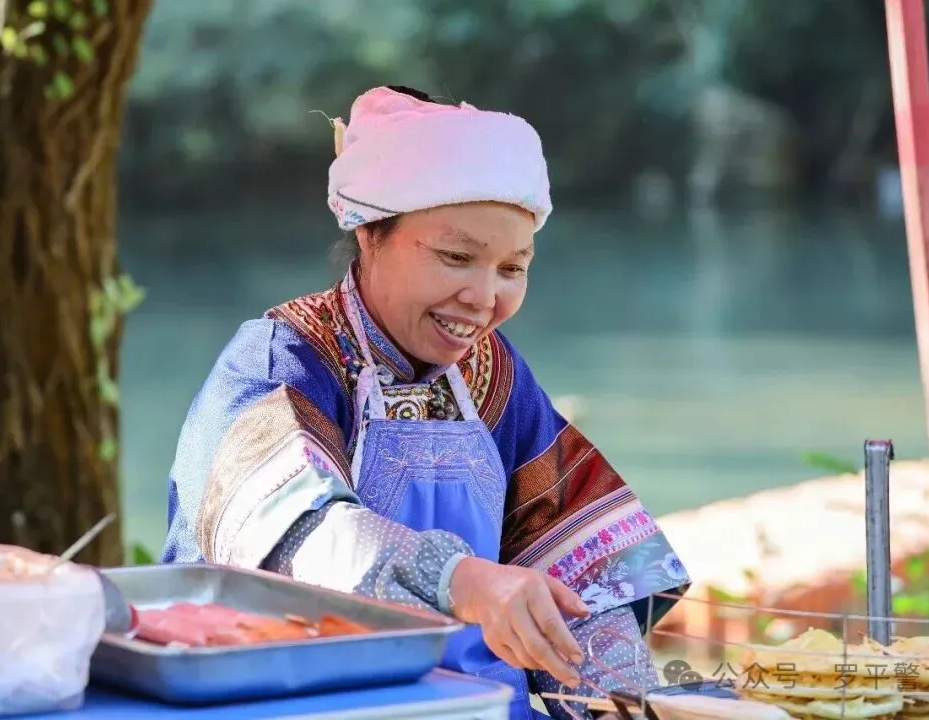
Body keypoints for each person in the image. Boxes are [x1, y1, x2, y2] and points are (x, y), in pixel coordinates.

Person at [161, 85, 691, 720]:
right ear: (370, 234)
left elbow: (585, 575)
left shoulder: (494, 375)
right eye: (456, 257)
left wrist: (620, 704)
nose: (484, 298)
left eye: (512, 268)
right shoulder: (283, 365)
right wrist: (463, 580)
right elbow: (296, 536)